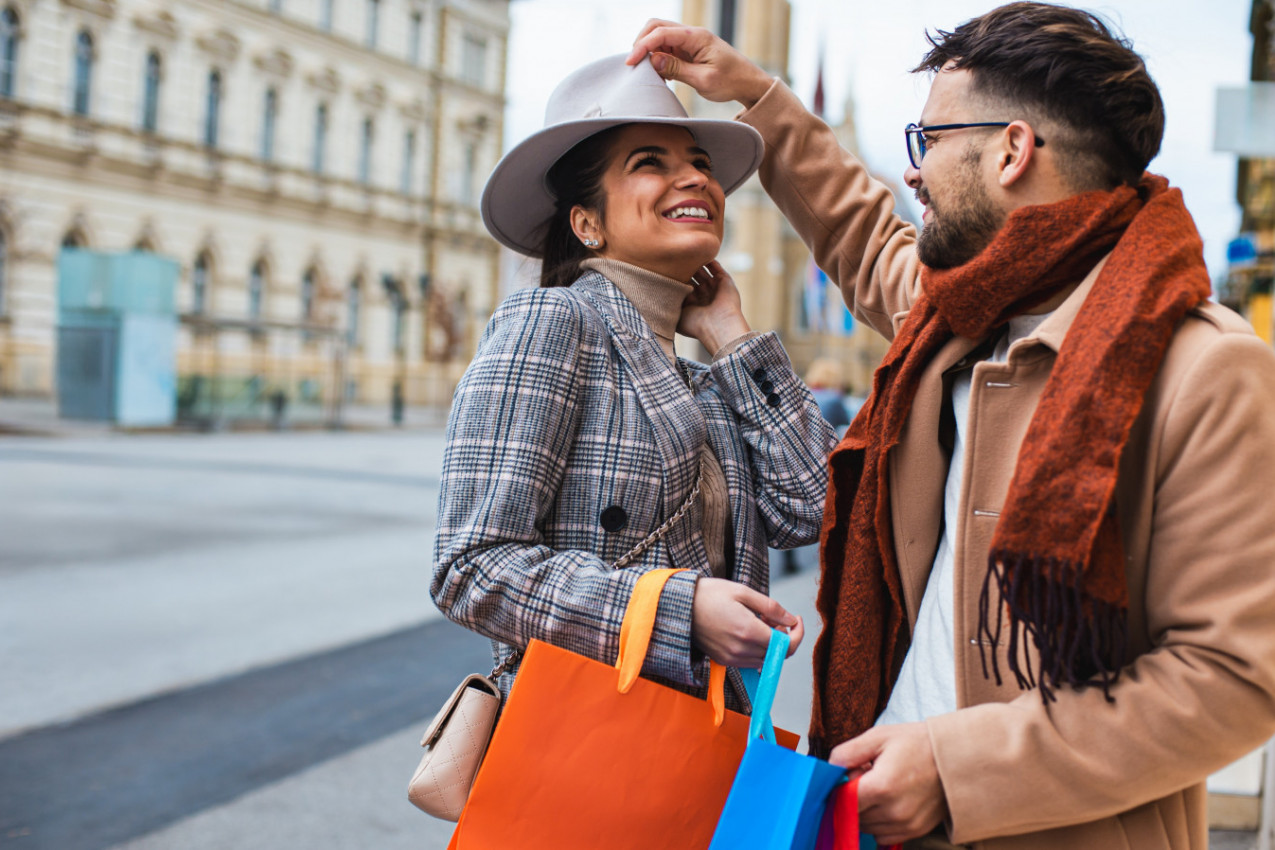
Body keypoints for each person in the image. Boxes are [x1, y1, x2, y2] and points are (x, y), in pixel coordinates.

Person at [630, 4, 1275, 849]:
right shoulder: (960, 313)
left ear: (1010, 150)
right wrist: (754, 93)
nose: (913, 174)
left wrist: (955, 771)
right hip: (876, 815)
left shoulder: (1205, 369)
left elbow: (1233, 678)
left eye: (927, 141)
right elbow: (859, 233)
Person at [431, 55, 835, 712]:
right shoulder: (554, 321)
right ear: (586, 223)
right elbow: (470, 567)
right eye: (650, 162)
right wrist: (677, 610)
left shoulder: (707, 377)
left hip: (699, 736)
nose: (693, 178)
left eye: (699, 163)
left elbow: (811, 507)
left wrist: (732, 335)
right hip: (584, 741)